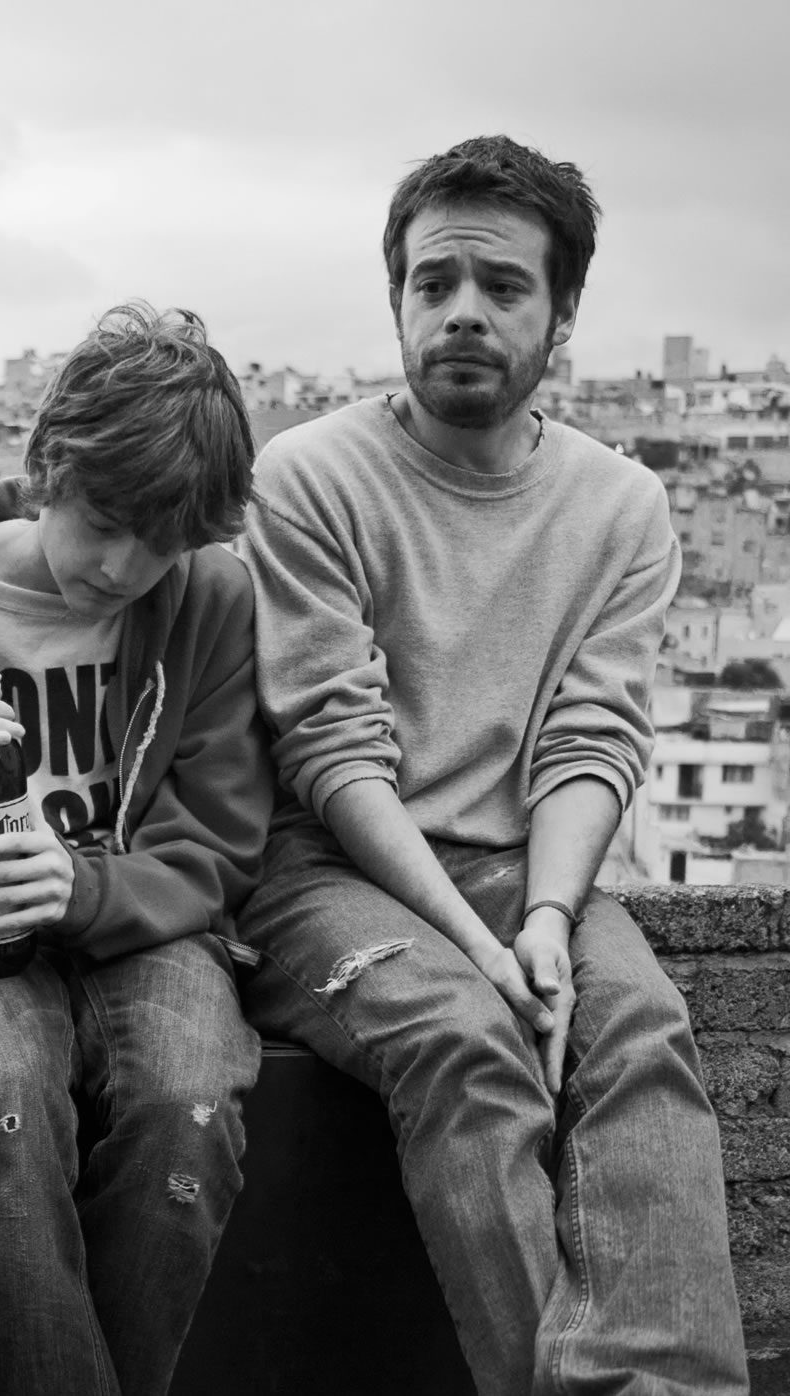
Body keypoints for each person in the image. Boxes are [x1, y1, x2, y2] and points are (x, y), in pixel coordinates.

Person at [237, 134, 747, 1394]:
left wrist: (551, 919)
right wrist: (481, 947)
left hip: (523, 863)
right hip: (330, 870)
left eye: (502, 286)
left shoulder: (620, 504)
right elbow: (331, 749)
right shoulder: (310, 474)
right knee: (466, 1039)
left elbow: (591, 734)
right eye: (433, 281)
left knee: (636, 1035)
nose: (461, 310)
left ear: (560, 315)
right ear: (396, 298)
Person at [0, 303, 272, 1395]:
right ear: (47, 467)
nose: (123, 567)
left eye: (162, 542)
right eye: (105, 522)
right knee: (1, 1101)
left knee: (185, 1109)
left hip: (138, 918)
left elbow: (217, 838)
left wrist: (80, 888)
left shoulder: (209, 599)